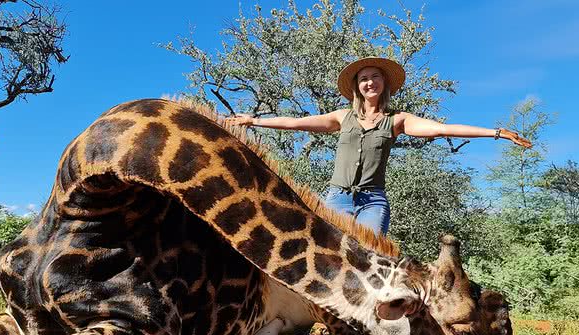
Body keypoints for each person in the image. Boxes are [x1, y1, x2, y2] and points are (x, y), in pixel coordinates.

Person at [225, 57, 532, 235]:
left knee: (371, 254)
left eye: (375, 77)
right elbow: (296, 122)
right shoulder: (341, 116)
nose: (369, 82)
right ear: (357, 87)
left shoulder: (398, 120)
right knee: (330, 253)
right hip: (337, 199)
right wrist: (254, 121)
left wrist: (495, 132)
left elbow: (441, 129)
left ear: (384, 83)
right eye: (364, 79)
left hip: (373, 201)